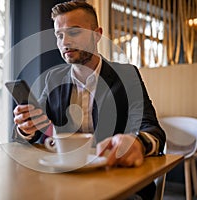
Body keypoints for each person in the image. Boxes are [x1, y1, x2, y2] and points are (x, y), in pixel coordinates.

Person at [13, 1, 165, 199]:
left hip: (118, 181)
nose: (65, 42)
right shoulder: (53, 79)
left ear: (97, 34)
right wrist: (26, 127)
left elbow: (152, 130)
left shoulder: (127, 75)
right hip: (64, 182)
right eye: (59, 35)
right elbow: (33, 130)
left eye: (74, 32)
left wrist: (137, 143)